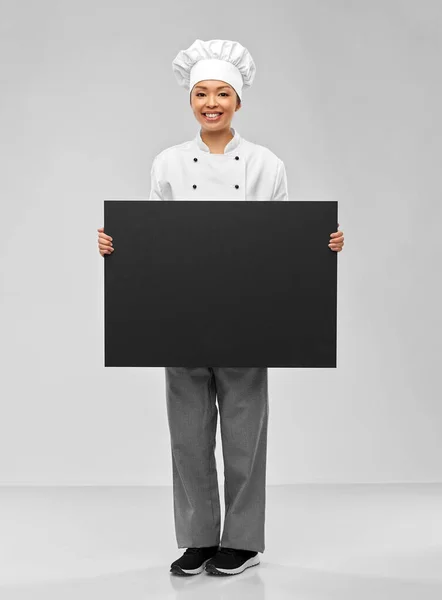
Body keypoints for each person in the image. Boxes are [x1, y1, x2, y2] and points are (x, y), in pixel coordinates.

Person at [97, 38, 345, 578]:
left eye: (223, 93)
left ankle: (243, 540)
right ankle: (197, 538)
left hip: (246, 315)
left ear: (238, 101)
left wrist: (320, 245)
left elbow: (281, 237)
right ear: (191, 101)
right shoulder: (166, 162)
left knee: (243, 431)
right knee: (186, 435)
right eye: (202, 93)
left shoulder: (265, 164)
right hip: (179, 314)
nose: (212, 102)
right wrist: (119, 246)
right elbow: (156, 238)